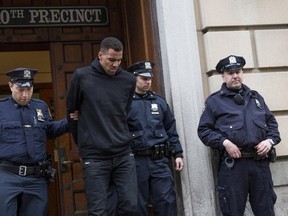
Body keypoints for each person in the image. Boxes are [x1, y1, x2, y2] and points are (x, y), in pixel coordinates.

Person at [197, 55, 281, 216]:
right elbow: (204, 131)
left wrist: (269, 141)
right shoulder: (215, 102)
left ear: (242, 73)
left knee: (266, 210)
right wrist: (225, 142)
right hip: (234, 166)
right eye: (230, 73)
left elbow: (272, 126)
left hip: (260, 164)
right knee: (233, 211)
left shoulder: (256, 98)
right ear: (223, 76)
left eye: (238, 71)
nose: (235, 76)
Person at [66, 37, 138, 216]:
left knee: (131, 204)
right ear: (100, 55)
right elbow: (72, 113)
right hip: (95, 156)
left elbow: (124, 111)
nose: (116, 64)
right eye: (111, 60)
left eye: (119, 60)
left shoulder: (128, 80)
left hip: (123, 153)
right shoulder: (81, 76)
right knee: (98, 210)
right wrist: (83, 143)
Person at [0, 68, 71, 216]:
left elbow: (50, 130)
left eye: (29, 89)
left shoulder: (41, 107)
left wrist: (71, 120)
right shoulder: (1, 108)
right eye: (20, 89)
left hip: (36, 178)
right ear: (11, 86)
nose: (25, 95)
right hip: (8, 176)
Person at [126, 60, 184, 216]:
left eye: (149, 78)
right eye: (143, 78)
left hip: (159, 161)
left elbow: (170, 129)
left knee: (166, 202)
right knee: (137, 206)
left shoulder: (159, 102)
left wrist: (177, 153)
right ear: (134, 78)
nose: (148, 82)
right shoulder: (125, 103)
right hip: (135, 161)